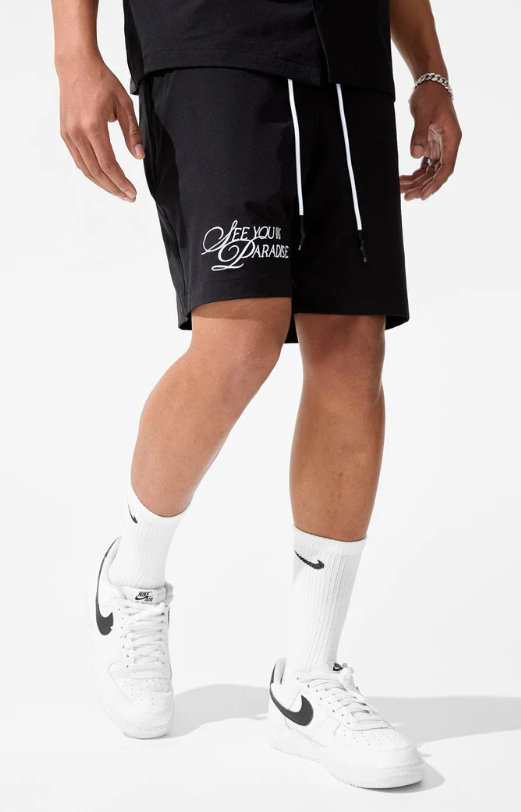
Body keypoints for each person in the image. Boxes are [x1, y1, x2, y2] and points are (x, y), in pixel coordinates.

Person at [51, 0, 461, 789]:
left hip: (345, 49)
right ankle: (132, 578)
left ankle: (307, 679)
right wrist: (75, 53)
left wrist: (430, 75)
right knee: (239, 341)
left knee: (351, 351)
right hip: (206, 37)